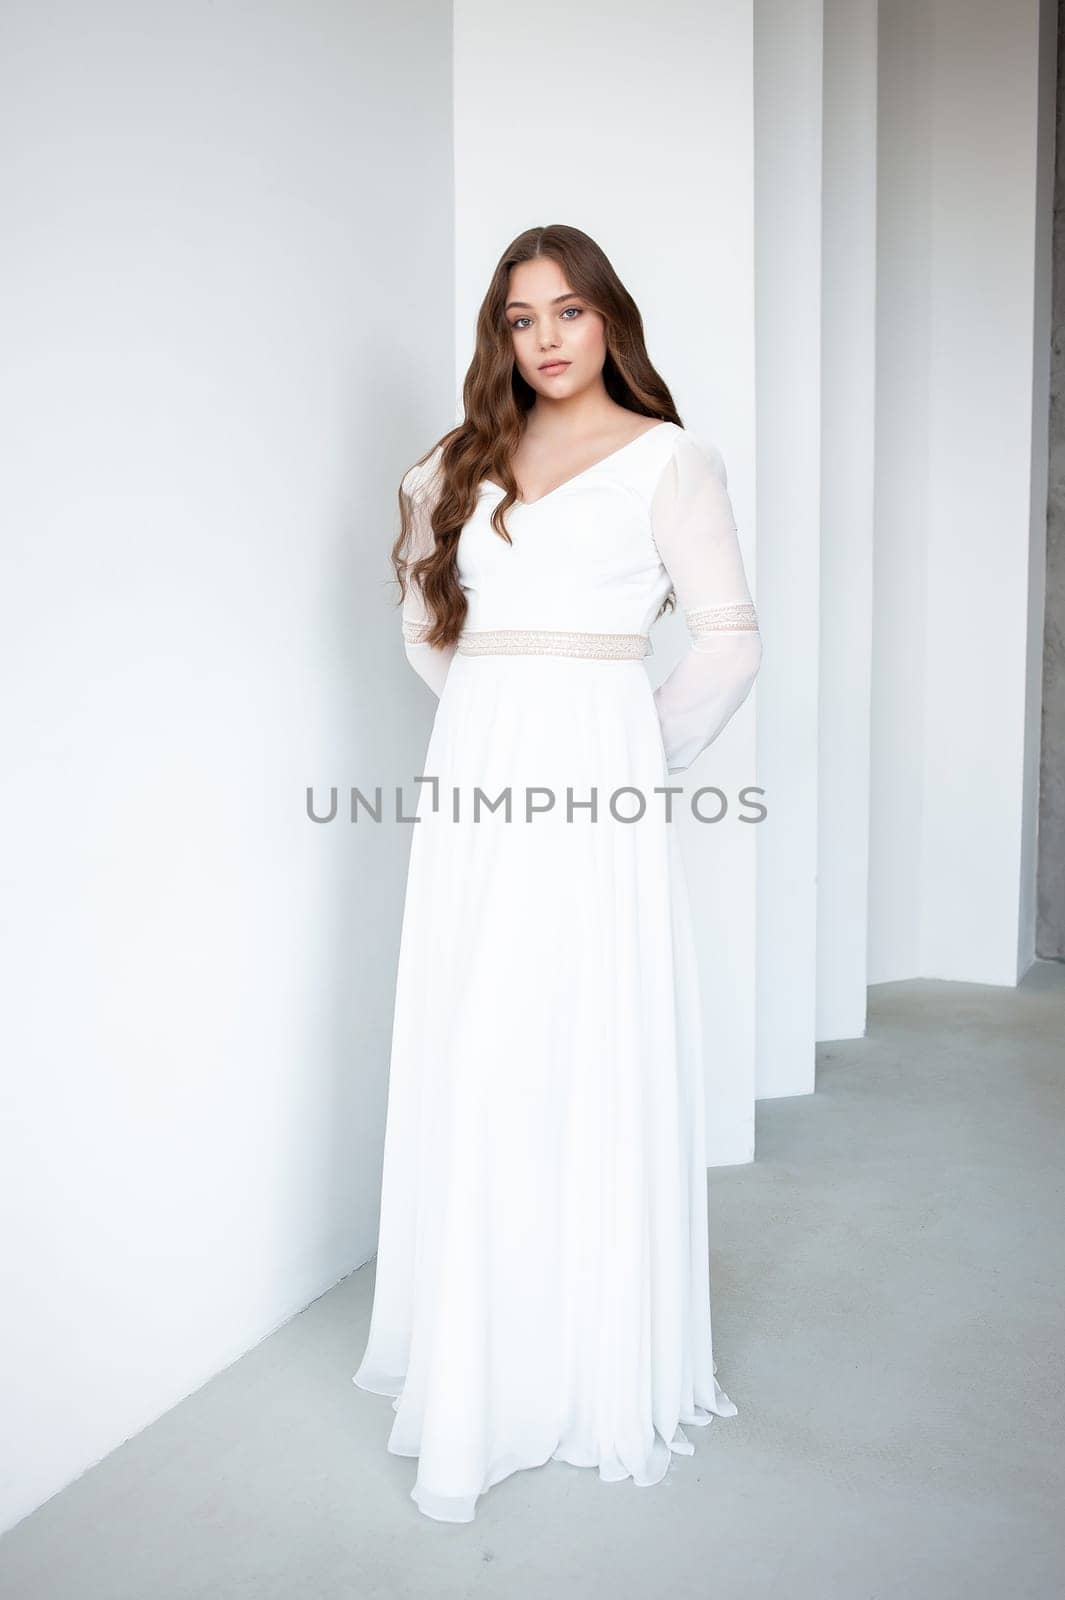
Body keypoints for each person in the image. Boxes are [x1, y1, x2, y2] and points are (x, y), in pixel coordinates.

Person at [352, 223, 762, 1523]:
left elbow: (728, 642)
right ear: (500, 335)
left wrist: (632, 750)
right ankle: (476, 1345)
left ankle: (577, 1360)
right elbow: (426, 625)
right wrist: (488, 707)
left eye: (569, 312)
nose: (544, 338)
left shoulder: (669, 459)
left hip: (599, 786)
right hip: (477, 784)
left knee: (567, 1041)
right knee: (477, 1040)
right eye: (521, 317)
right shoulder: (453, 462)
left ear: (609, 323)